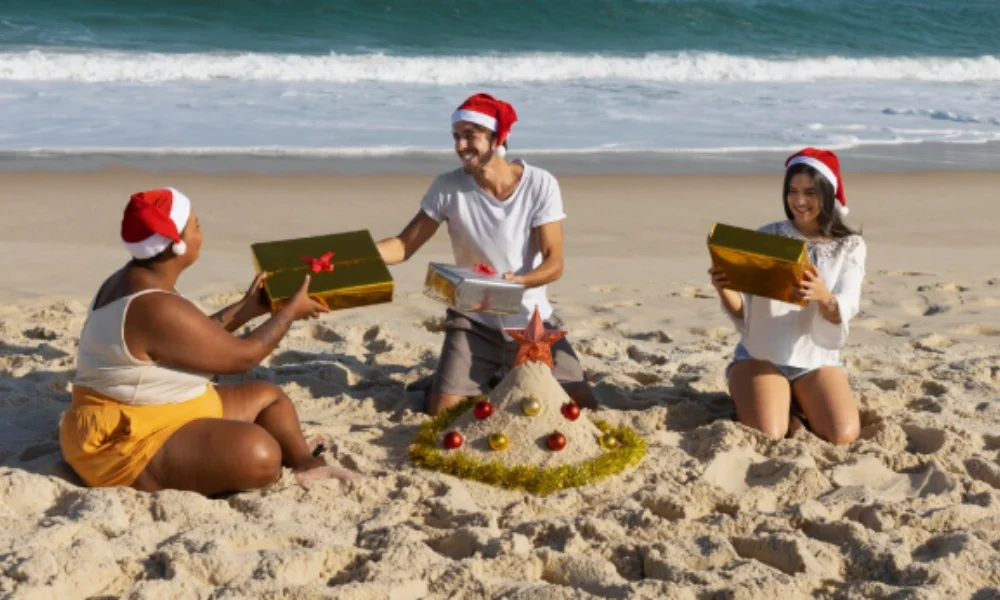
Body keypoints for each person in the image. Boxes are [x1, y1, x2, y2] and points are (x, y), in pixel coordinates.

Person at [60, 187, 356, 495]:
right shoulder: (154, 306)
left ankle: (305, 463)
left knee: (270, 397)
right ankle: (151, 475)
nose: (201, 234)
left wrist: (248, 308)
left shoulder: (139, 280)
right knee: (260, 455)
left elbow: (192, 336)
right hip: (127, 438)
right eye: (196, 226)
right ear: (176, 244)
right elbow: (243, 358)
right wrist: (290, 313)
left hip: (163, 407)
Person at [376, 92, 597, 416]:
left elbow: (554, 262)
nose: (461, 146)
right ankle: (453, 377)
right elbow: (404, 246)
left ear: (498, 137)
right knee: (443, 412)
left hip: (531, 320)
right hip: (473, 318)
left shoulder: (540, 184)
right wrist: (355, 255)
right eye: (456, 136)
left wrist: (520, 281)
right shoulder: (447, 187)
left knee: (582, 405)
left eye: (471, 136)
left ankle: (486, 374)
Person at [709, 148, 864, 445]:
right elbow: (743, 314)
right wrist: (723, 287)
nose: (800, 201)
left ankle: (792, 398)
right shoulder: (766, 237)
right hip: (761, 356)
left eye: (810, 192)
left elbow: (843, 311)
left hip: (816, 360)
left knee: (843, 435)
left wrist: (822, 295)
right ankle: (771, 396)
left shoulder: (851, 246)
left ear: (828, 193)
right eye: (792, 191)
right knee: (769, 433)